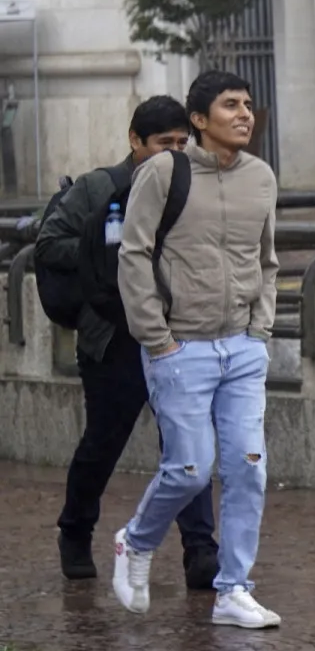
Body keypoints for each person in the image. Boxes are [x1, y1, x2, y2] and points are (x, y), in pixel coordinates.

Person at [111, 70, 281, 629]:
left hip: (243, 347)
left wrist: (260, 329)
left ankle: (233, 590)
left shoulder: (260, 177)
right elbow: (133, 254)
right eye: (230, 105)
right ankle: (136, 542)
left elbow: (267, 259)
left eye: (248, 104)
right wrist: (157, 338)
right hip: (180, 347)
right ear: (200, 120)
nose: (244, 114)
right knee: (188, 470)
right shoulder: (164, 171)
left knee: (248, 470)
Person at [37, 97, 219, 586]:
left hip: (176, 334)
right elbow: (49, 245)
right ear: (135, 141)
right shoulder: (100, 187)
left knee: (186, 444)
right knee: (103, 442)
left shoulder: (192, 186)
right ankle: (75, 531)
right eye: (163, 143)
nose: (174, 153)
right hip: (113, 336)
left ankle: (201, 551)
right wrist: (109, 247)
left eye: (182, 143)